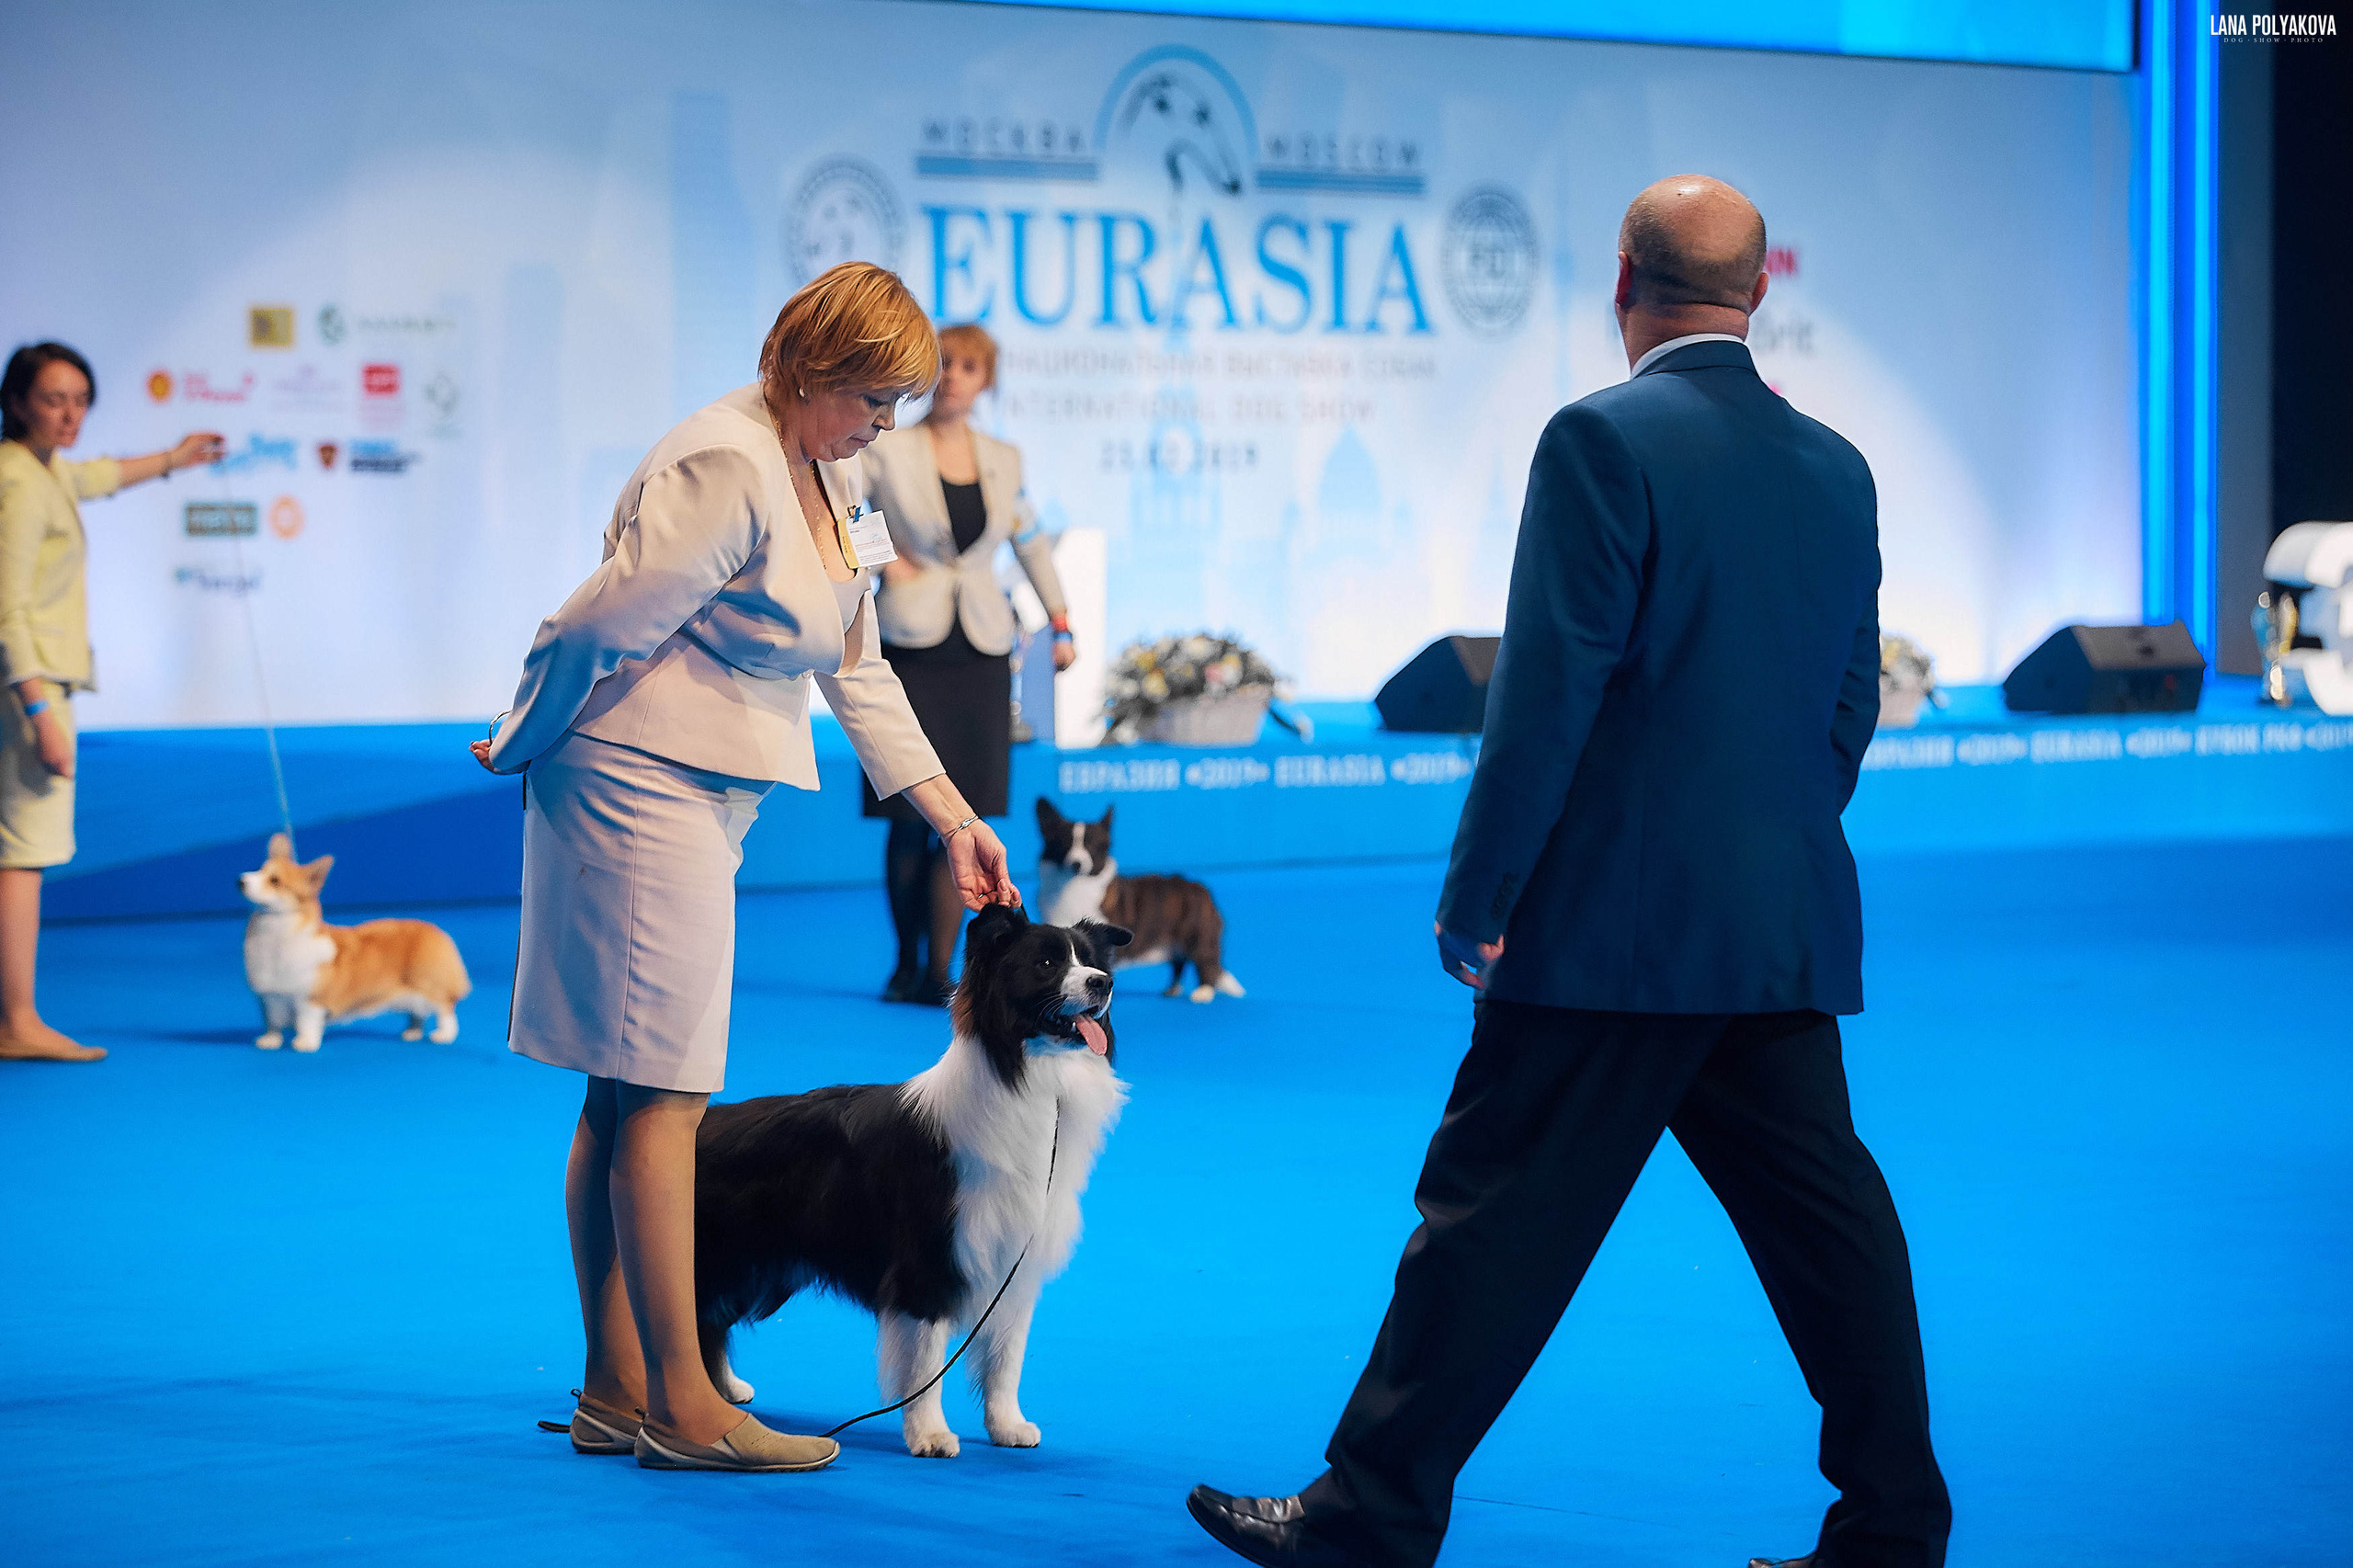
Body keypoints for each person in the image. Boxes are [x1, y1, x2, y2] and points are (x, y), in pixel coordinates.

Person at [1186, 176, 1951, 1568]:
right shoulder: (1839, 463)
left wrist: (1479, 895)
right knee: (1831, 1233)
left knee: (1485, 1220)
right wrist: (1760, 838)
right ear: (1758, 291)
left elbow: (1546, 700)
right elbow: (1851, 704)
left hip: (1609, 932)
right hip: (1768, 924)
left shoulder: (1601, 437)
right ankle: (1896, 1531)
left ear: (1622, 278)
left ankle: (1369, 1517)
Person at [471, 263, 1019, 1474]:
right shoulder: (723, 460)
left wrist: (953, 813)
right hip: (630, 784)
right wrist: (519, 738)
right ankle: (684, 1402)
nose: (888, 423)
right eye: (874, 397)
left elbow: (858, 664)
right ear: (813, 371)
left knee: (626, 1093)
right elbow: (589, 626)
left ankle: (619, 1383)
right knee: (664, 1091)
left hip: (695, 795)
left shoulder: (831, 466)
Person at [0, 343, 220, 1064]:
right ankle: (19, 1020)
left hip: (33, 685)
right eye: (52, 398)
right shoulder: (16, 480)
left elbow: (97, 475)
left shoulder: (41, 471)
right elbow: (6, 609)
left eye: (80, 399)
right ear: (16, 400)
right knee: (21, 856)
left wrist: (175, 457)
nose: (68, 414)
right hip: (27, 689)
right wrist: (37, 712)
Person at [858, 323, 1074, 1004]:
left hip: (981, 646)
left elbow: (1032, 543)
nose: (953, 376)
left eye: (970, 366)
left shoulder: (1004, 458)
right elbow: (841, 510)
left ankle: (939, 970)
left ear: (987, 380)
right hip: (910, 641)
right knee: (906, 814)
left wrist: (1061, 621)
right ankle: (902, 963)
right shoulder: (886, 447)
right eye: (945, 363)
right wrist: (884, 560)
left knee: (965, 816)